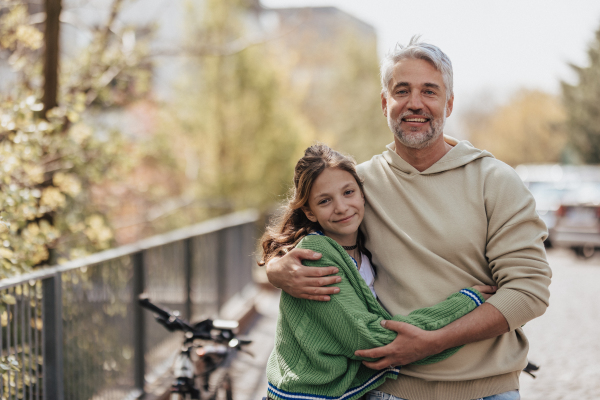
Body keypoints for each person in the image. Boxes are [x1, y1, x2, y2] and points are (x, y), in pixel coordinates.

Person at [265, 36, 551, 400]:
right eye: (402, 91)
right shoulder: (358, 187)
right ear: (385, 102)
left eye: (429, 92)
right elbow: (300, 235)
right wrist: (277, 270)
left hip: (486, 390)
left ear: (449, 103)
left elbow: (529, 291)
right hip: (387, 391)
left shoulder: (494, 181)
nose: (414, 104)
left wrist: (433, 342)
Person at [261, 144, 497, 400]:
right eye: (324, 201)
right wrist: (464, 303)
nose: (341, 207)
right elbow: (374, 340)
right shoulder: (316, 255)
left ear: (363, 194)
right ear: (309, 212)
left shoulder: (364, 243)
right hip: (305, 395)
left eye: (348, 192)